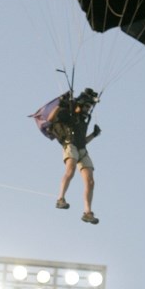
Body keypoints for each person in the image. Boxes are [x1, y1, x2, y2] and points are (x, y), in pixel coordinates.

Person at [47, 88, 101, 224]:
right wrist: (61, 103)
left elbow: (82, 140)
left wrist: (94, 135)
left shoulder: (83, 121)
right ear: (81, 105)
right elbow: (50, 119)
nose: (88, 109)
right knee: (70, 170)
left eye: (90, 107)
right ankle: (60, 199)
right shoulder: (68, 114)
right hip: (70, 145)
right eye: (87, 106)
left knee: (90, 182)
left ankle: (88, 213)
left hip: (82, 149)